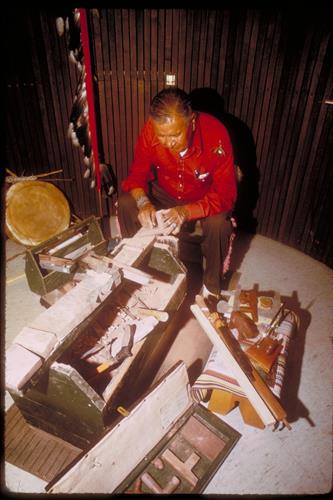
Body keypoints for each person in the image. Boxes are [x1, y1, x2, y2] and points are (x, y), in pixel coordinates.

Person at [117, 87, 237, 297]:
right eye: (161, 136)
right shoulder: (149, 130)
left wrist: (186, 211)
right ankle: (136, 268)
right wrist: (144, 202)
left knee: (219, 224)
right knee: (127, 202)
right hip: (165, 190)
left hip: (203, 197)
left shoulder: (216, 134)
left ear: (191, 121)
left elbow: (226, 194)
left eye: (175, 134)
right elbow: (137, 175)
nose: (168, 142)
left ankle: (211, 290)